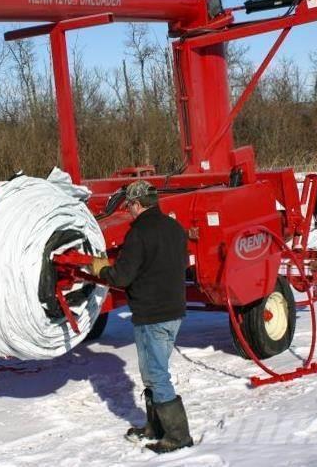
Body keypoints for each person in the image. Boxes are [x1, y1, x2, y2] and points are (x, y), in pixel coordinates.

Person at [91, 180, 192, 453]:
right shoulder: (174, 227)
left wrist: (101, 270)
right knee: (152, 373)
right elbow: (182, 263)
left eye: (130, 206)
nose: (129, 211)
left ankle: (178, 435)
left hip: (152, 315)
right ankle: (155, 427)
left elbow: (122, 276)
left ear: (137, 204)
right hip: (173, 312)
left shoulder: (138, 234)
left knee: (157, 376)